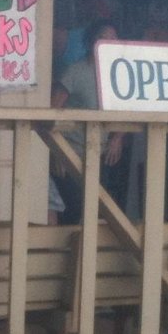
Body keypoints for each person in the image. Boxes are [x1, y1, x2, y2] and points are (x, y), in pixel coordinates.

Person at [51, 18, 124, 224]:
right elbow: (53, 112)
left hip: (103, 156)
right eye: (103, 37)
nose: (109, 42)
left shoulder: (119, 72)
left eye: (113, 38)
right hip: (72, 154)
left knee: (100, 214)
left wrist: (118, 138)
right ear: (92, 41)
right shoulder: (75, 71)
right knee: (74, 214)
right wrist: (57, 151)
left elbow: (127, 109)